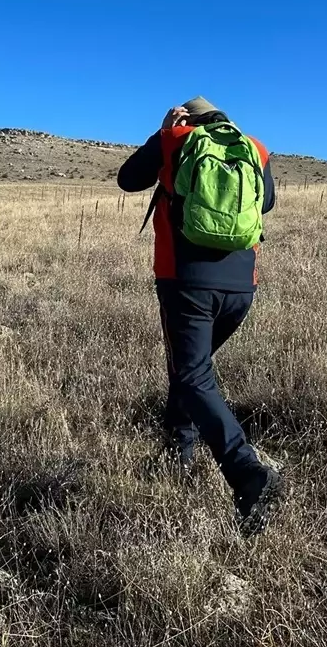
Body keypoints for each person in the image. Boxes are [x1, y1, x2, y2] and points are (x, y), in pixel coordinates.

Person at [117, 96, 282, 535]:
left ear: (187, 117)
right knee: (189, 370)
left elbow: (127, 179)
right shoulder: (255, 148)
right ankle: (179, 452)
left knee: (192, 376)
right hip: (242, 286)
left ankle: (247, 471)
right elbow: (265, 204)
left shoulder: (175, 139)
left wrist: (163, 132)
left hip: (184, 281)